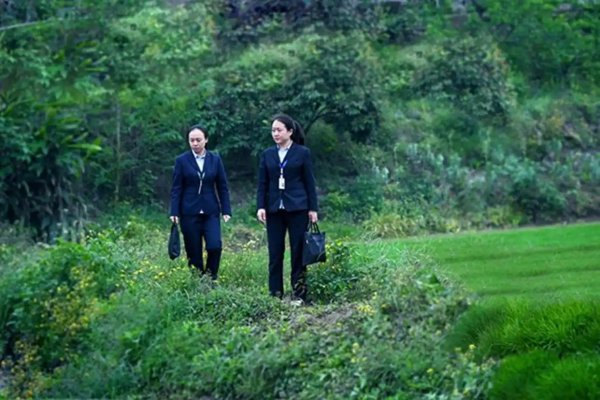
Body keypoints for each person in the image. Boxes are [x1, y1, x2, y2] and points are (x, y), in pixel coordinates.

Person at [256, 114, 319, 304]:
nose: (275, 133)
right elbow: (262, 183)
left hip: (298, 208)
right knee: (275, 253)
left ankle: (299, 294)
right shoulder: (267, 154)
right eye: (273, 130)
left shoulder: (302, 153)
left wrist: (313, 209)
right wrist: (261, 206)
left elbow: (309, 182)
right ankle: (275, 294)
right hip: (274, 209)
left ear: (290, 132)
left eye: (279, 130)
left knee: (298, 252)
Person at [170, 124, 232, 280]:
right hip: (189, 211)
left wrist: (226, 209)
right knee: (193, 251)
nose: (195, 143)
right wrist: (174, 211)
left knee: (214, 246)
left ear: (206, 140)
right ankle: (197, 281)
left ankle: (211, 277)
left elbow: (222, 186)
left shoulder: (215, 160)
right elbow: (176, 188)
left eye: (198, 140)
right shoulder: (182, 160)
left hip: (211, 210)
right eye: (192, 140)